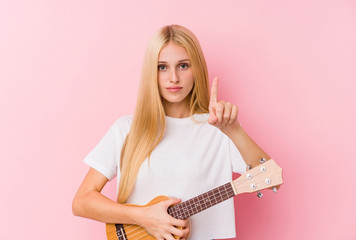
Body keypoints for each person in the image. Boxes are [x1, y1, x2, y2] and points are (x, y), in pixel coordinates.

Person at [72, 24, 273, 240]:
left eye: (183, 66)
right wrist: (143, 217)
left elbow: (271, 177)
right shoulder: (126, 130)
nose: (173, 78)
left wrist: (234, 131)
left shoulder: (219, 128)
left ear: (197, 68)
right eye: (162, 67)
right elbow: (82, 202)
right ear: (151, 72)